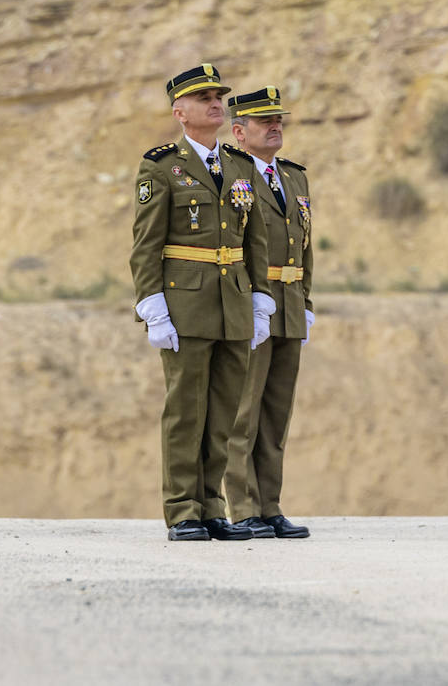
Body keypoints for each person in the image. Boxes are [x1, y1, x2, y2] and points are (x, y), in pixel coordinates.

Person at [129, 64, 276, 540]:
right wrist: (152, 306)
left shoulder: (238, 165)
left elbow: (255, 239)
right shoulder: (161, 165)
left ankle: (213, 508)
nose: (216, 103)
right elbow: (146, 244)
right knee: (186, 412)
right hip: (185, 306)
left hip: (232, 302)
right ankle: (182, 511)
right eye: (203, 97)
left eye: (219, 96)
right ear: (180, 111)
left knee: (224, 413)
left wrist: (259, 300)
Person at [223, 86, 315, 539]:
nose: (275, 126)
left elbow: (306, 245)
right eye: (264, 122)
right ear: (239, 132)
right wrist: (245, 302)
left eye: (278, 119)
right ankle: (242, 508)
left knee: (277, 413)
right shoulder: (231, 173)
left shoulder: (294, 177)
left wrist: (308, 302)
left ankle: (270, 505)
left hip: (290, 304)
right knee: (244, 411)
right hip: (251, 306)